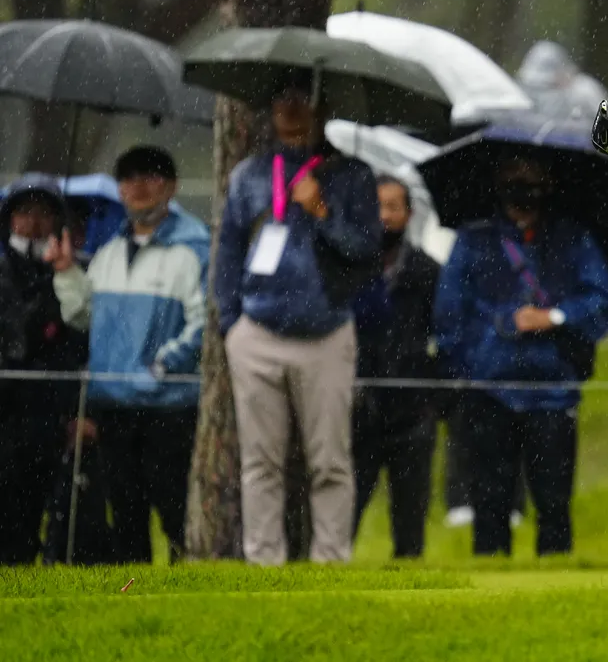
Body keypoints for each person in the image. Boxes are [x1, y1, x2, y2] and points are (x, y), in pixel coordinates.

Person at [213, 73, 383, 566]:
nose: (290, 109)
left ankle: (330, 561)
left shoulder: (352, 175)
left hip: (326, 334)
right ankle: (264, 561)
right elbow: (228, 254)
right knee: (260, 461)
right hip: (258, 333)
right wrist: (231, 324)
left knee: (329, 461)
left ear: (320, 107)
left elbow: (366, 249)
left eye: (301, 99)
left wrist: (322, 210)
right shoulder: (250, 175)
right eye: (281, 100)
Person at [434, 155, 608, 556]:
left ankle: (556, 580)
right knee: (489, 504)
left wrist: (555, 316)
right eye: (513, 176)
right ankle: (489, 580)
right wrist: (492, 337)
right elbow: (449, 314)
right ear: (498, 181)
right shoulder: (473, 239)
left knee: (554, 505)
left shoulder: (573, 238)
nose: (523, 185)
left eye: (532, 177)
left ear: (549, 183)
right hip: (489, 390)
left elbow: (604, 301)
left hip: (553, 392)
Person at [49, 147, 208, 564]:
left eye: (149, 177)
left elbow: (204, 325)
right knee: (125, 514)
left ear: (171, 187)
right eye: (128, 178)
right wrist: (66, 271)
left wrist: (161, 368)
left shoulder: (194, 247)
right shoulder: (109, 253)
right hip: (114, 406)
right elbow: (84, 316)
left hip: (169, 406)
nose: (138, 187)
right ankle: (132, 591)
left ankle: (187, 590)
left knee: (175, 511)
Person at [350, 176, 442, 559]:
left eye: (393, 207)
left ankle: (408, 579)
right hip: (358, 409)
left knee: (410, 516)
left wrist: (433, 395)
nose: (385, 216)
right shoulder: (350, 268)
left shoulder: (427, 271)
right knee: (346, 509)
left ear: (409, 214)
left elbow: (446, 336)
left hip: (412, 411)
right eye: (378, 207)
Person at [0, 177, 86, 565]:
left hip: (50, 416)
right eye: (24, 212)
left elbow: (80, 331)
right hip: (6, 414)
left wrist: (64, 274)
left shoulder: (73, 272)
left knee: (47, 509)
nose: (33, 222)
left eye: (43, 213)